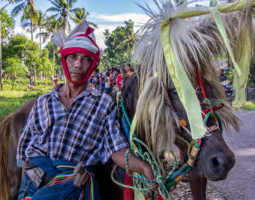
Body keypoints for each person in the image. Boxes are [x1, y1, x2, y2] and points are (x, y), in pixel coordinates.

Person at [16, 20, 154, 200]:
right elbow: (24, 150)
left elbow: (115, 149)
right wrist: (27, 186)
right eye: (73, 57)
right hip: (35, 183)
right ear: (64, 60)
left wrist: (143, 167)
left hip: (74, 185)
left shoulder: (103, 104)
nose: (78, 65)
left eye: (86, 59)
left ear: (93, 66)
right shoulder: (43, 102)